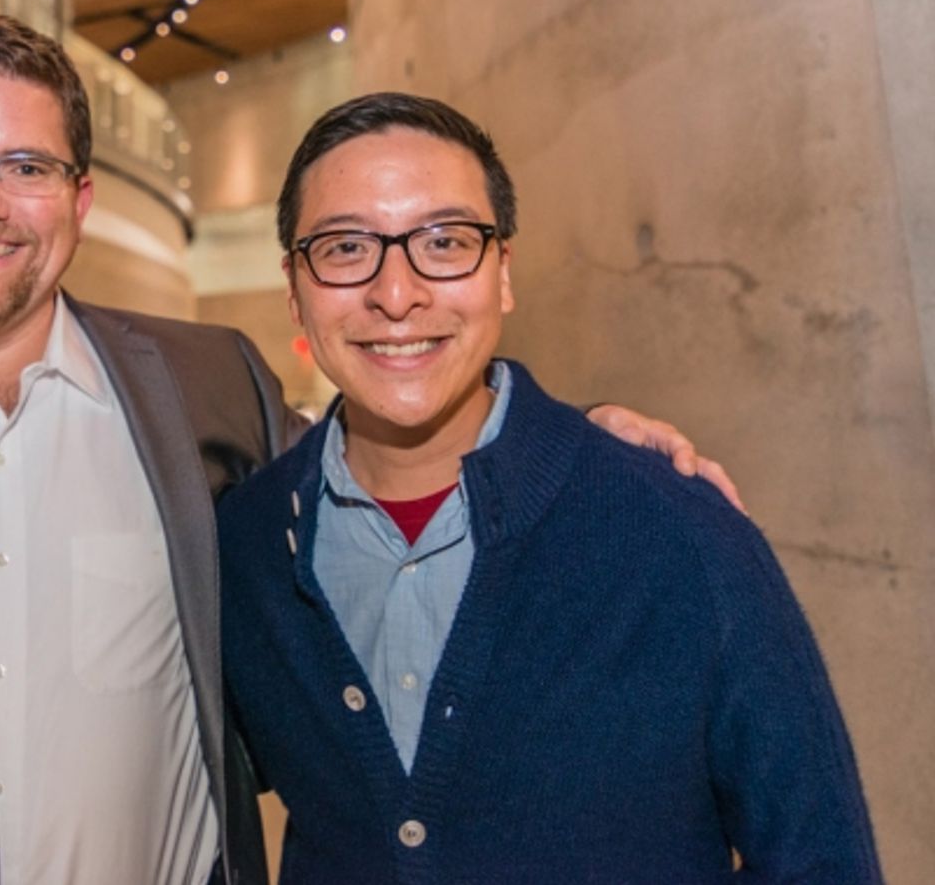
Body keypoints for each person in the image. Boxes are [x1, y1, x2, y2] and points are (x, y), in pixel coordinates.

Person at [0, 16, 735, 885]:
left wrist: (574, 435)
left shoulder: (207, 383)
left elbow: (392, 464)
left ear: (81, 200)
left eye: (27, 166)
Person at [218, 92, 880, 883]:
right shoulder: (249, 544)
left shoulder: (677, 529)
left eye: (445, 240)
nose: (397, 294)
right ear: (295, 287)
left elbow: (819, 857)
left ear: (504, 274)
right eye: (345, 247)